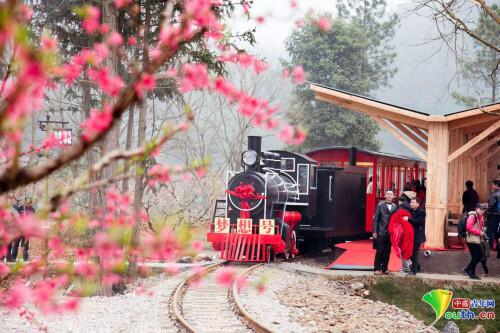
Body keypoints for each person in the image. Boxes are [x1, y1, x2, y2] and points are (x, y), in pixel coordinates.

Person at [373, 190, 397, 275]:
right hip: (380, 231)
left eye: (391, 194)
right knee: (379, 250)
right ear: (385, 195)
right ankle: (376, 268)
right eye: (388, 194)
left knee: (388, 251)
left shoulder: (395, 206)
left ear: (393, 196)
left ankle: (384, 268)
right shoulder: (380, 205)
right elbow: (376, 219)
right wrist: (375, 231)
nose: (390, 196)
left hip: (390, 232)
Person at [389, 196, 414, 273]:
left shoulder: (400, 209)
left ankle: (407, 267)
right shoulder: (410, 208)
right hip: (410, 231)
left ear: (400, 202)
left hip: (403, 232)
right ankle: (408, 265)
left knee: (404, 250)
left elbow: (396, 220)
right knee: (407, 249)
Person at [464, 203, 486, 280]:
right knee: (478, 256)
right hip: (471, 239)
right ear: (476, 209)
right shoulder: (472, 216)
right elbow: (468, 227)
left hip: (475, 239)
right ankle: (470, 272)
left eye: (483, 209)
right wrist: (479, 233)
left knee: (477, 257)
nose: (482, 211)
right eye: (480, 209)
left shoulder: (480, 217)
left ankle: (469, 271)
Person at [407, 197, 426, 275]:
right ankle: (417, 266)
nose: (411, 204)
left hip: (417, 236)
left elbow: (419, 222)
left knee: (414, 253)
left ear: (418, 204)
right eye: (411, 202)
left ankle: (413, 270)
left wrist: (408, 219)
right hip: (408, 236)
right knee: (409, 253)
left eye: (413, 202)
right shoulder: (409, 211)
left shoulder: (422, 212)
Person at [486, 180, 500, 250]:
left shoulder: (494, 194)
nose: (492, 185)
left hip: (493, 215)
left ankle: (489, 247)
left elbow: (490, 205)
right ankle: (498, 247)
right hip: (498, 215)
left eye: (493, 184)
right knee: (497, 231)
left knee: (490, 231)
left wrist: (485, 208)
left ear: (497, 186)